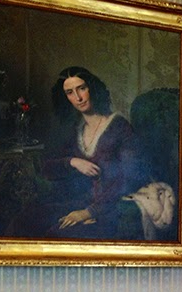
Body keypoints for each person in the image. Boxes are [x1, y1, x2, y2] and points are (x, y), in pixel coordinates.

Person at [8, 66, 147, 239]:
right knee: (22, 222)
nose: (78, 98)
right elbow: (47, 169)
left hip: (111, 208)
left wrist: (89, 212)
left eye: (82, 88)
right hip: (79, 202)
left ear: (92, 88)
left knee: (56, 235)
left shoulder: (119, 126)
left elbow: (130, 177)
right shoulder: (77, 129)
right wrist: (72, 162)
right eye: (70, 92)